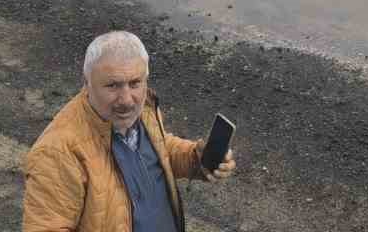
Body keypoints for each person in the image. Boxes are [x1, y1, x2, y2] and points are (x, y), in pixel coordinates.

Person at [23, 30, 236, 232]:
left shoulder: (143, 109)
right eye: (112, 86)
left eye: (135, 83)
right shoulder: (56, 153)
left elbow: (159, 148)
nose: (126, 100)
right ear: (87, 83)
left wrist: (194, 158)